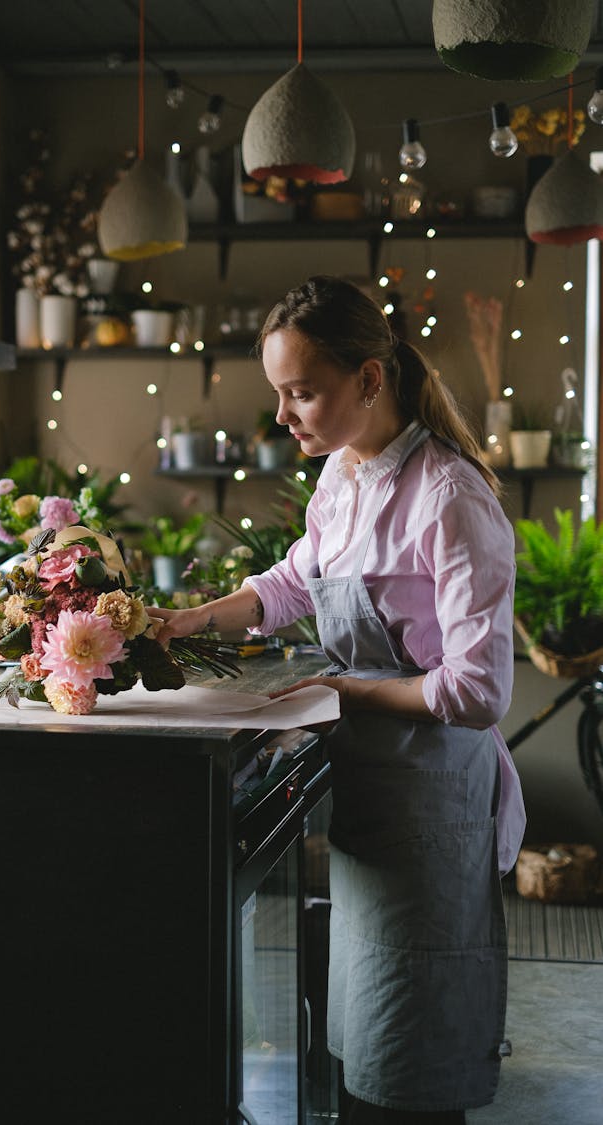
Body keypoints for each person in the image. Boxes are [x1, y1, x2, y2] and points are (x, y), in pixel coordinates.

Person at [148, 275, 526, 1124]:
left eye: (302, 392)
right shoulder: (342, 481)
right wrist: (190, 618)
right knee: (368, 1054)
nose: (285, 418)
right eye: (279, 395)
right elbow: (292, 582)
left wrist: (342, 690)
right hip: (374, 800)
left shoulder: (449, 497)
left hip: (435, 805)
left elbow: (476, 687)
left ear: (369, 379)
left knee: (416, 1074)